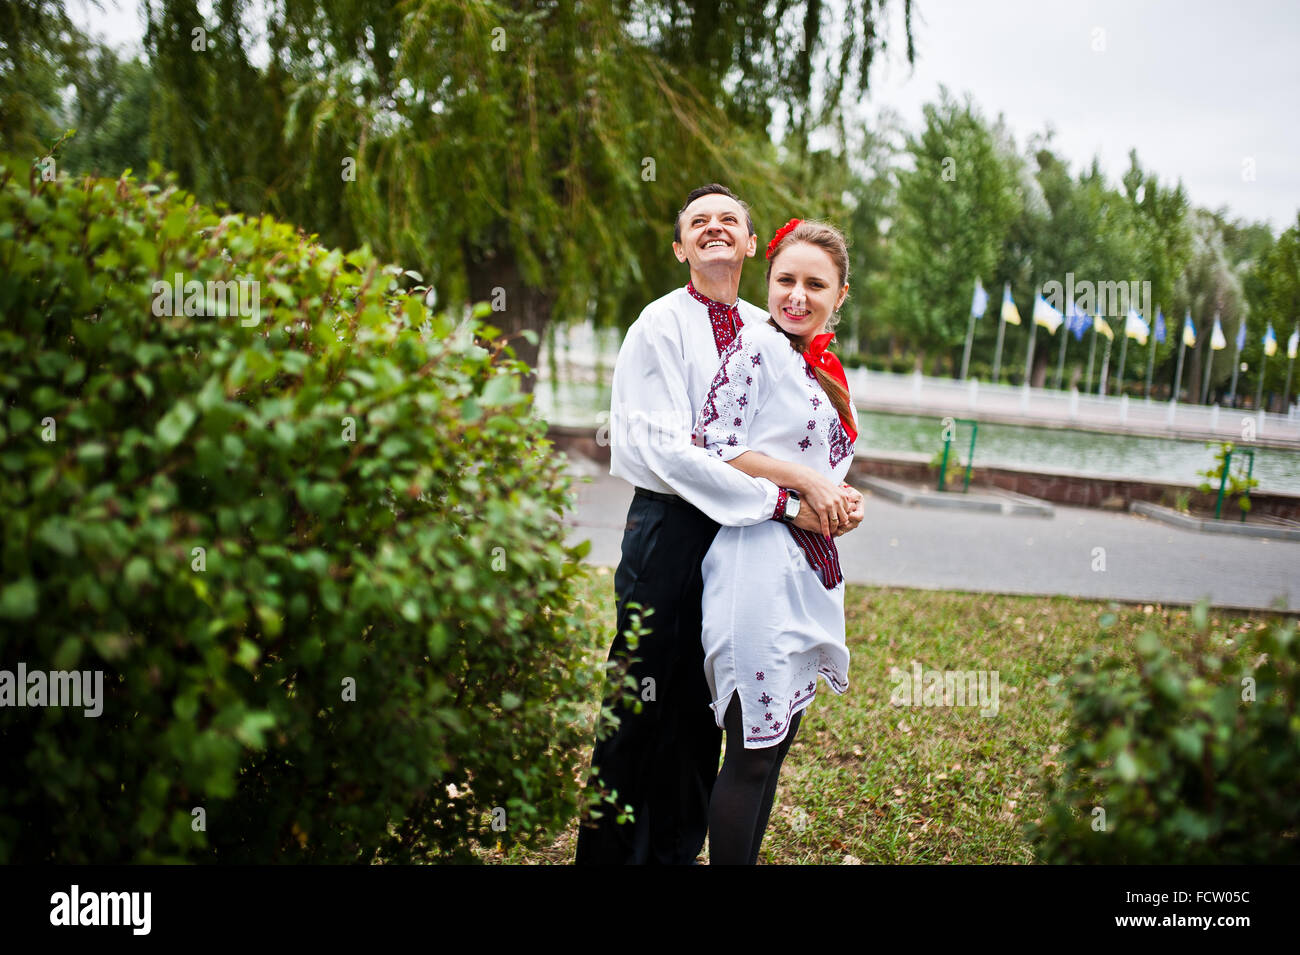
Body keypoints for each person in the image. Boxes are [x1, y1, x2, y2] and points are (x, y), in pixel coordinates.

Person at [574, 186, 864, 865]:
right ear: (681, 247)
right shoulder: (659, 325)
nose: (713, 228)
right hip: (672, 530)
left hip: (735, 545)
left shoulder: (770, 329)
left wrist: (833, 497)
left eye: (727, 219)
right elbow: (672, 451)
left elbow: (795, 435)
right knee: (641, 702)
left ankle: (675, 851)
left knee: (704, 715)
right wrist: (787, 506)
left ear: (749, 243)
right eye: (697, 222)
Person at [692, 218, 858, 865]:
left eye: (815, 283)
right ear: (769, 284)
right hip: (753, 562)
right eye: (785, 279)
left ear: (839, 294)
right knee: (753, 751)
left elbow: (825, 470)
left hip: (804, 566)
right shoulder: (757, 348)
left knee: (777, 744)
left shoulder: (816, 363)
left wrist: (843, 496)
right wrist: (805, 483)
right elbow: (717, 448)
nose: (797, 294)